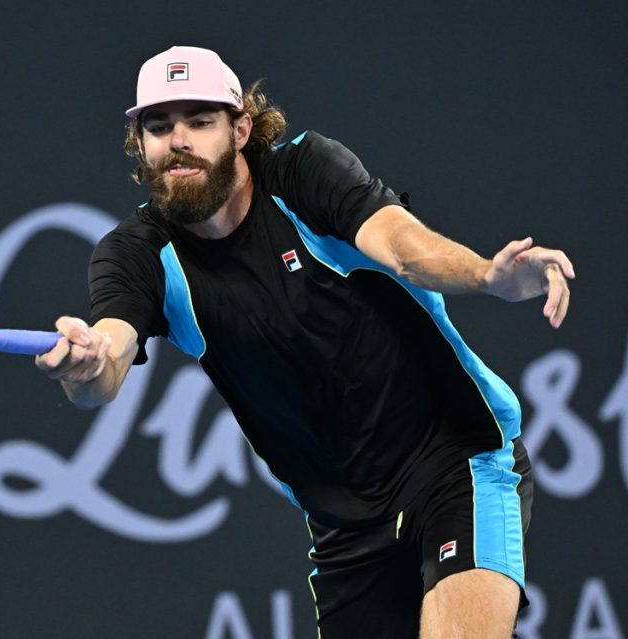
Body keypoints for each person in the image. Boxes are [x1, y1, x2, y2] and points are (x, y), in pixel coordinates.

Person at [36, 46, 574, 638]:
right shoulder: (135, 254)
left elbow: (403, 247)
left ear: (241, 128)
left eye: (199, 121)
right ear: (140, 143)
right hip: (344, 526)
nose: (178, 140)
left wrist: (486, 277)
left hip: (457, 460)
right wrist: (87, 364)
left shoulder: (304, 174)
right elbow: (109, 355)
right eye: (159, 127)